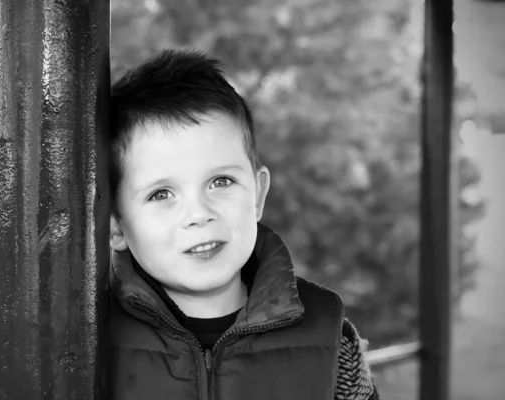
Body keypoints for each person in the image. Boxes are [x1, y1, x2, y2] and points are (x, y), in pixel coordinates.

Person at [99, 48, 379, 400]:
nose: (199, 214)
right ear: (117, 226)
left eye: (220, 182)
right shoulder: (90, 338)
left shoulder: (332, 337)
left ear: (258, 195)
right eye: (161, 194)